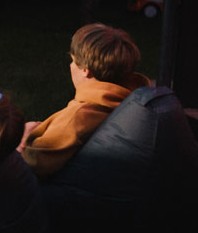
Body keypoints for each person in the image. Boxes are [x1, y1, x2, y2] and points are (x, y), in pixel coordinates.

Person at [19, 23, 149, 180]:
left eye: (73, 60)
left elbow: (35, 162)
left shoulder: (80, 115)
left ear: (85, 70)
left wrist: (23, 139)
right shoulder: (130, 99)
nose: (70, 65)